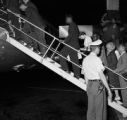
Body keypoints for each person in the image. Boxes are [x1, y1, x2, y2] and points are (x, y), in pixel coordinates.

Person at [82, 39, 112, 120]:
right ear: (96, 49)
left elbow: (85, 75)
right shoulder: (96, 59)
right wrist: (108, 89)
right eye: (99, 48)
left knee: (91, 108)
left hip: (90, 86)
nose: (100, 49)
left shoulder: (85, 59)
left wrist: (87, 87)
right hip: (98, 85)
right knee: (100, 108)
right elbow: (101, 75)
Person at [59, 15, 80, 79]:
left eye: (67, 19)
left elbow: (71, 35)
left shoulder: (72, 24)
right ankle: (77, 75)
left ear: (70, 19)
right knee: (74, 61)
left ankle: (65, 69)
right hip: (75, 45)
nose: (66, 20)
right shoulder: (75, 25)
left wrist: (64, 41)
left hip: (71, 45)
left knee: (62, 54)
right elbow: (74, 35)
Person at [115, 43, 127, 117]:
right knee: (124, 91)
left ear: (122, 48)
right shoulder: (123, 55)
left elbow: (125, 65)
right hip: (123, 75)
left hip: (123, 76)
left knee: (124, 91)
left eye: (119, 48)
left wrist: (117, 70)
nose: (118, 50)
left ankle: (125, 108)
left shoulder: (124, 55)